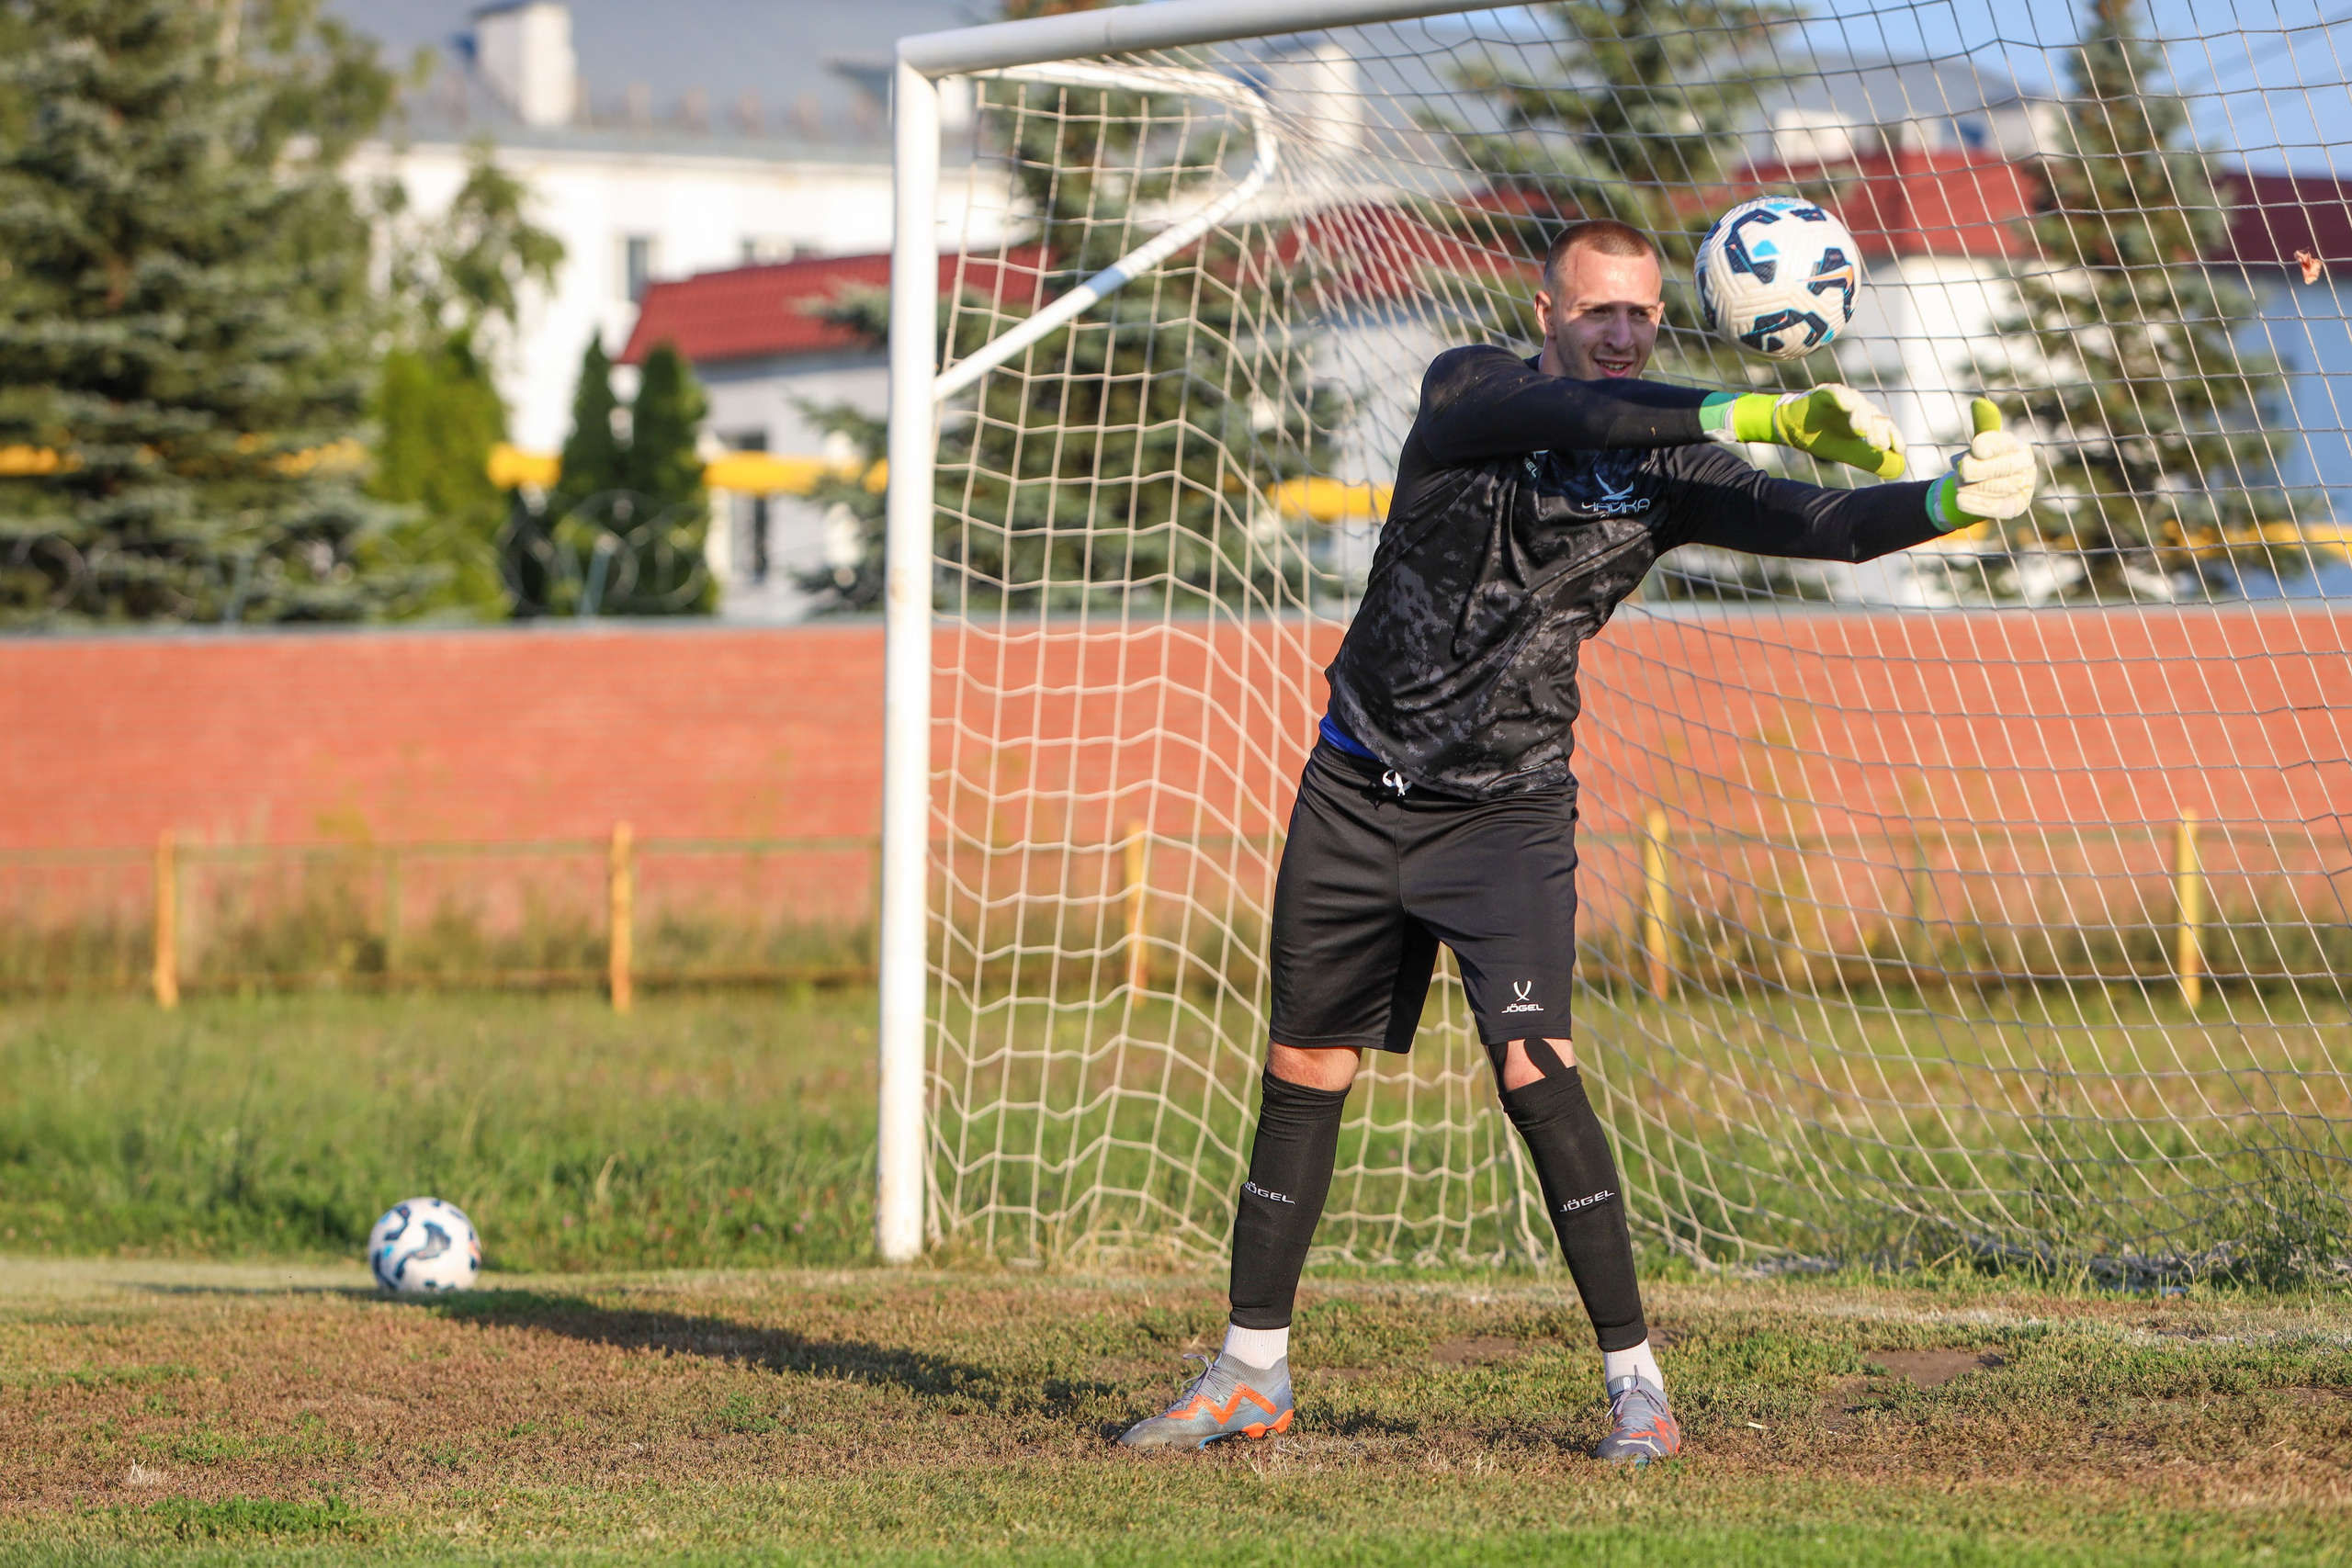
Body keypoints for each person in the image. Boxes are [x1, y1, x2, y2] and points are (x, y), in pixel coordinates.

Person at [1115, 218, 2038, 1462]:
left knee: (1535, 1066)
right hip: (1353, 788)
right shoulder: (1467, 390)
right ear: (1545, 311)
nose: (1620, 331)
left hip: (1507, 808)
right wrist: (1750, 412)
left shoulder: (1671, 470)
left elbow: (1825, 527)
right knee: (1305, 1068)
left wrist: (1944, 501)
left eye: (1642, 316)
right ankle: (1249, 1374)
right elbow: (1583, 419)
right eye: (1598, 310)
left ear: (1664, 323)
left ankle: (1638, 1390)